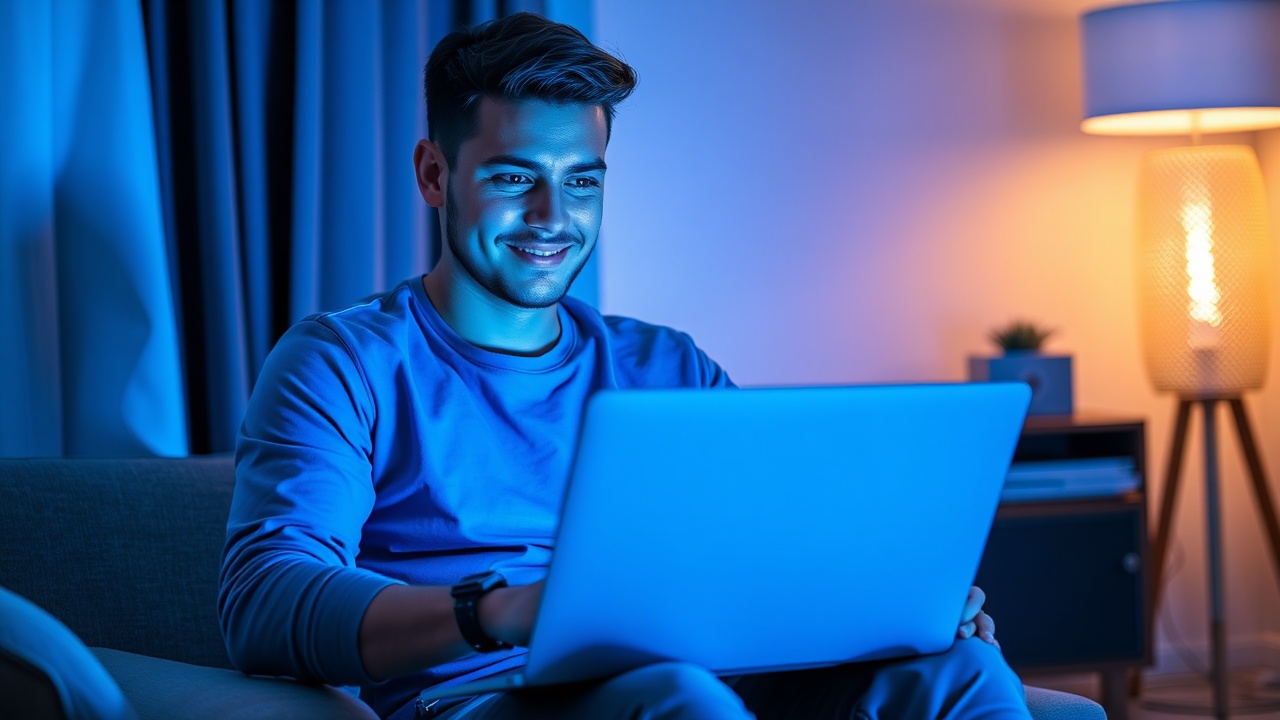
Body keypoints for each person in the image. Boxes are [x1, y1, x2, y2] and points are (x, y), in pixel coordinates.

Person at [219, 12, 1029, 720]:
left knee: (959, 672)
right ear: (436, 175)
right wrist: (499, 611)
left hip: (703, 681)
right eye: (513, 178)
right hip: (483, 697)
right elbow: (265, 600)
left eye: (581, 183)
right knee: (678, 699)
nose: (552, 218)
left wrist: (891, 599)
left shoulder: (666, 365)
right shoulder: (344, 362)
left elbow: (768, 548)